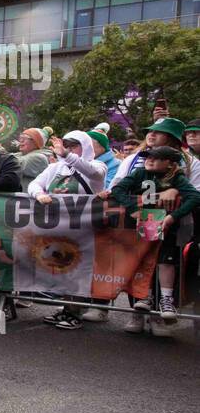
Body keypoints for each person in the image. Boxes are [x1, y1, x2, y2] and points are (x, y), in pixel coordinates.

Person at [109, 145, 200, 336]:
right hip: (146, 220)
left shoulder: (177, 178)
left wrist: (172, 216)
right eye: (147, 157)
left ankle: (166, 300)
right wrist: (133, 207)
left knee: (165, 260)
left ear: (169, 164)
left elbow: (194, 196)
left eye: (155, 158)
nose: (149, 160)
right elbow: (117, 189)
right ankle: (145, 296)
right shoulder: (140, 173)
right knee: (145, 258)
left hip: (167, 225)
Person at [28, 131, 108, 330]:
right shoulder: (55, 167)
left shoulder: (97, 166)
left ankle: (75, 311)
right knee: (63, 267)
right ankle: (66, 308)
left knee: (79, 268)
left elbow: (92, 174)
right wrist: (39, 194)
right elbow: (35, 183)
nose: (69, 150)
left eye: (74, 146)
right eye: (67, 146)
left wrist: (66, 155)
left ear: (86, 147)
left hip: (84, 229)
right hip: (59, 228)